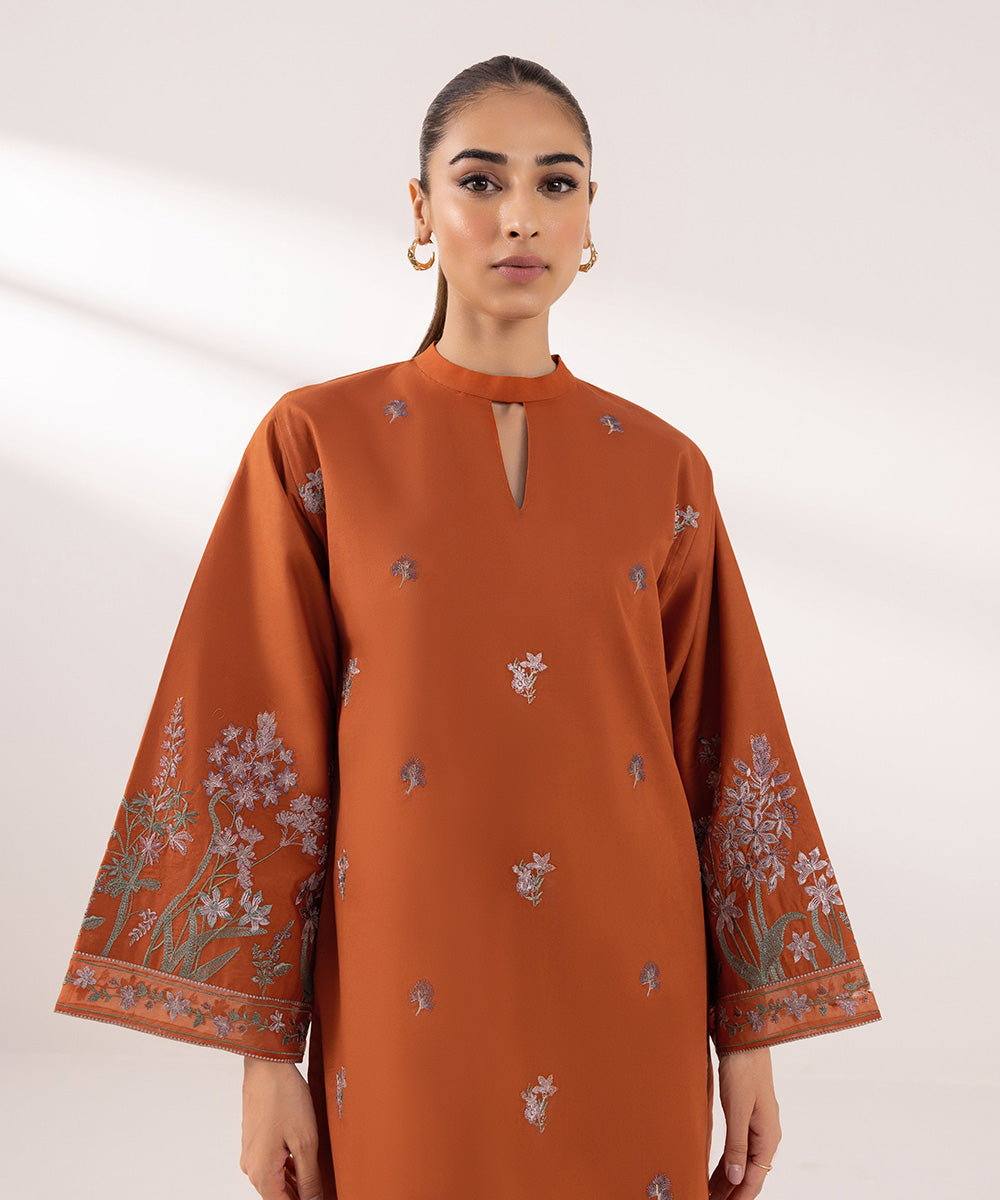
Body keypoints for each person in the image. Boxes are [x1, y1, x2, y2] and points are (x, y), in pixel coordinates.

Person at [54, 54, 882, 1200]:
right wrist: (264, 1060)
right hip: (403, 980)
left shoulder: (663, 467)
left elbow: (726, 751)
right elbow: (253, 747)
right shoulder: (317, 442)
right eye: (481, 180)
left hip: (630, 981)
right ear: (420, 207)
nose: (518, 217)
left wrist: (749, 1042)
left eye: (555, 183)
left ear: (590, 213)